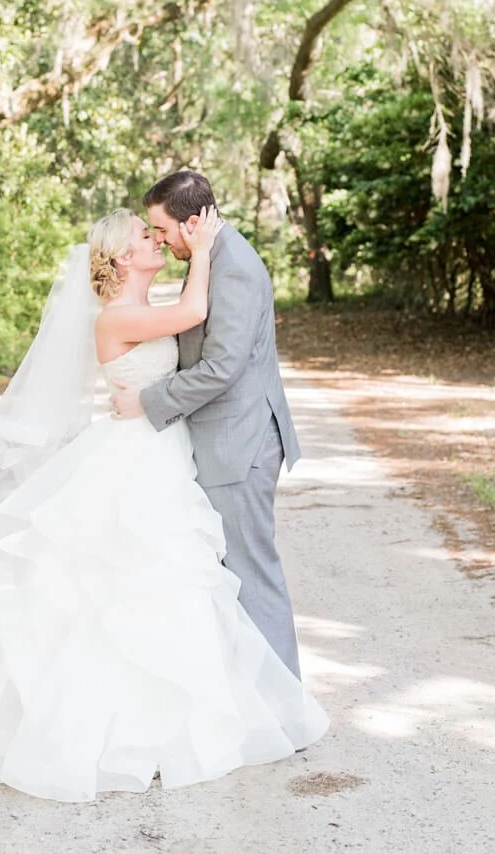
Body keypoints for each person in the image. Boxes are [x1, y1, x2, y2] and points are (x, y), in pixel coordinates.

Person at [0, 206, 327, 802]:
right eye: (146, 237)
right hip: (135, 457)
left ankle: (165, 722)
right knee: (123, 583)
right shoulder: (117, 317)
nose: (157, 242)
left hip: (161, 451)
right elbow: (195, 314)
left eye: (157, 232)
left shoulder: (145, 306)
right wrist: (206, 247)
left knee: (165, 586)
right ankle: (119, 731)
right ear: (125, 258)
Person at [111, 171, 303, 679]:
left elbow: (222, 367)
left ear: (193, 223)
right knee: (227, 577)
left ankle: (282, 705)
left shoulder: (233, 267)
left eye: (162, 229)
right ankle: (248, 696)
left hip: (240, 443)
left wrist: (146, 400)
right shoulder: (211, 257)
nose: (160, 239)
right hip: (222, 440)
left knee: (251, 576)